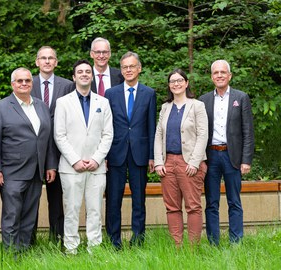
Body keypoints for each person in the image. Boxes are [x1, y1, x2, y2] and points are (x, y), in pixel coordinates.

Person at [0, 67, 57, 252]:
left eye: (27, 80)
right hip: (12, 171)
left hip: (36, 170)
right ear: (13, 84)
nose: (24, 84)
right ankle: (11, 253)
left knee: (29, 214)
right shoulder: (0, 107)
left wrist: (50, 165)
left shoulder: (41, 106)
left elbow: (47, 138)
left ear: (31, 83)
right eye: (20, 81)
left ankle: (24, 250)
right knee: (12, 214)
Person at [54, 59, 113, 255]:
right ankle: (71, 249)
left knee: (95, 211)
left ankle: (94, 249)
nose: (85, 74)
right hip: (71, 168)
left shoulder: (103, 102)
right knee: (71, 210)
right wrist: (75, 160)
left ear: (92, 76)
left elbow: (108, 134)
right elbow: (59, 135)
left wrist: (96, 159)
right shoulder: (62, 102)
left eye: (88, 71)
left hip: (96, 167)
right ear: (74, 76)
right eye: (80, 71)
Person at [199, 60, 255, 245]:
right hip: (211, 156)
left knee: (234, 201)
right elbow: (199, 132)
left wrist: (246, 160)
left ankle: (236, 241)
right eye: (216, 73)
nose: (220, 75)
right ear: (211, 77)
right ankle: (213, 242)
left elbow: (248, 131)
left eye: (223, 72)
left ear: (230, 75)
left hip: (233, 157)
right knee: (211, 203)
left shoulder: (241, 97)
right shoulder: (203, 100)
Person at [105, 51, 157, 248]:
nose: (128, 70)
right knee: (113, 199)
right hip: (115, 154)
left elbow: (151, 126)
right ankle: (114, 241)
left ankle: (138, 240)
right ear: (122, 70)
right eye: (125, 67)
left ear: (139, 68)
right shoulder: (111, 94)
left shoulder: (149, 93)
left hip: (140, 154)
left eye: (132, 66)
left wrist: (152, 156)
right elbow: (106, 126)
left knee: (138, 200)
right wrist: (105, 155)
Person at [153, 68, 208, 246]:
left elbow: (203, 135)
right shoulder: (165, 107)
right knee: (172, 207)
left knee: (193, 206)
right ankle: (177, 246)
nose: (176, 84)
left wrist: (194, 162)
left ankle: (193, 248)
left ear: (186, 83)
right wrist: (159, 162)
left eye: (179, 80)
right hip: (168, 163)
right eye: (172, 81)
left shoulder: (197, 106)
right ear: (169, 86)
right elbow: (158, 135)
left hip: (189, 163)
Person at [30, 46, 72, 244]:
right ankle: (29, 241)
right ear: (37, 61)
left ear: (56, 62)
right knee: (31, 199)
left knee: (56, 200)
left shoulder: (67, 85)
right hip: (32, 151)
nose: (47, 61)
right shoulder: (27, 83)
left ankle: (57, 240)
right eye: (43, 58)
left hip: (59, 150)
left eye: (51, 58)